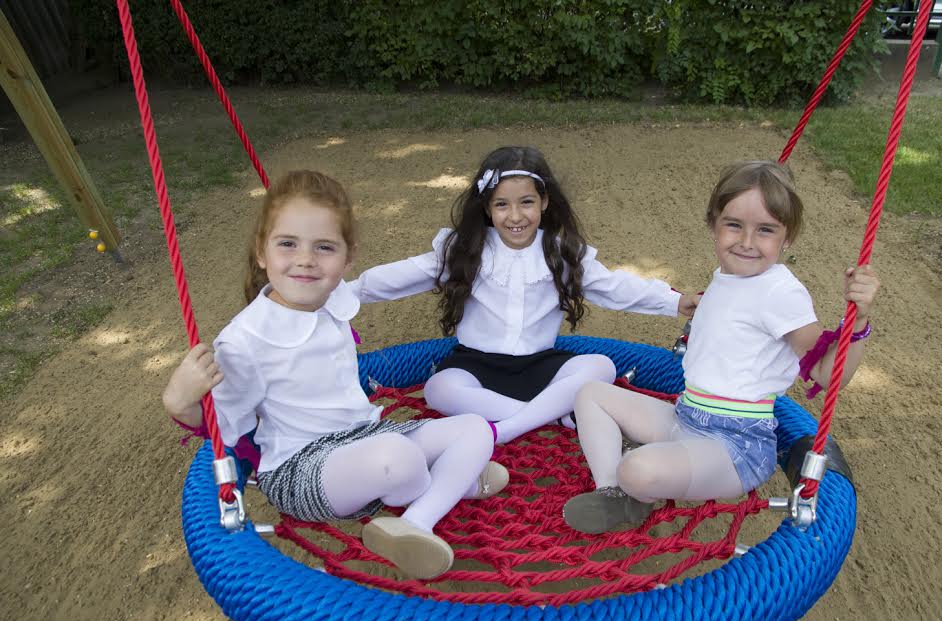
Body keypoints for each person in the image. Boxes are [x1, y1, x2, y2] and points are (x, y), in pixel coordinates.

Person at [162, 170, 508, 579]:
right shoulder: (245, 341)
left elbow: (386, 280)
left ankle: (418, 519)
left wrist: (452, 258)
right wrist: (180, 403)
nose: (306, 259)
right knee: (400, 457)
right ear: (261, 252)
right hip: (300, 466)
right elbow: (226, 427)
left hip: (367, 437)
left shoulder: (332, 296)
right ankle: (447, 483)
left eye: (324, 247)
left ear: (347, 258)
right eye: (288, 244)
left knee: (476, 428)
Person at [563, 160, 881, 534]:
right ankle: (615, 494)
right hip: (686, 417)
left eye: (765, 230)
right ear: (713, 225)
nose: (747, 242)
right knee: (591, 394)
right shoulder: (727, 276)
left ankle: (635, 480)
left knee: (636, 469)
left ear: (787, 237)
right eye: (734, 225)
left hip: (736, 446)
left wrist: (858, 322)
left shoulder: (780, 292)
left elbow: (827, 374)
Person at [350, 146, 697, 444]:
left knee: (600, 366)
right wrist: (347, 291)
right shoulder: (466, 250)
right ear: (487, 207)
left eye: (526, 202)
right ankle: (550, 417)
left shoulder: (561, 253)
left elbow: (614, 287)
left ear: (544, 202)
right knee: (439, 388)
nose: (515, 216)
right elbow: (404, 274)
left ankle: (507, 428)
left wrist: (674, 301)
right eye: (502, 204)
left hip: (540, 366)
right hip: (476, 366)